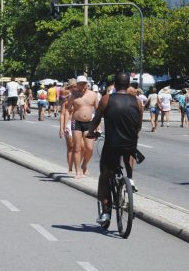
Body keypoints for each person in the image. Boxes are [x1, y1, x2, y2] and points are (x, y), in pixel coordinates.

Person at [87, 71, 143, 226]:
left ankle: (105, 213)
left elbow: (96, 119)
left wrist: (91, 132)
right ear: (129, 85)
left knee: (104, 175)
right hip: (130, 143)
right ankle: (130, 179)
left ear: (115, 84)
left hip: (112, 144)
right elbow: (138, 124)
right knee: (129, 152)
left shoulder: (106, 99)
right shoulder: (137, 101)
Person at [68, 75, 99, 178]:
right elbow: (67, 109)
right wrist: (66, 125)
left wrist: (98, 125)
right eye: (80, 84)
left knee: (89, 148)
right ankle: (77, 171)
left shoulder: (93, 95)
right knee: (77, 148)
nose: (82, 85)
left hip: (89, 123)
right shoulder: (73, 95)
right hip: (76, 122)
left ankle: (84, 165)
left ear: (87, 84)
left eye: (83, 83)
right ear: (77, 85)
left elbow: (98, 111)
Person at [59, 78, 76, 174]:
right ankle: (70, 168)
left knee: (80, 147)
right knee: (71, 147)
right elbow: (62, 114)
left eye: (75, 86)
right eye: (71, 87)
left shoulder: (80, 97)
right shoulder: (67, 99)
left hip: (79, 123)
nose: (73, 88)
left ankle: (79, 167)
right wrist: (61, 128)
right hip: (69, 124)